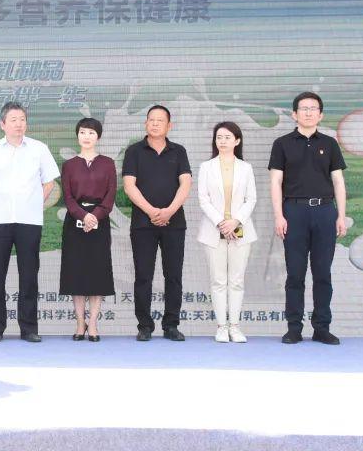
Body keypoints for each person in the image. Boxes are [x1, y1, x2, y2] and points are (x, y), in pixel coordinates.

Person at [269, 91, 347, 345]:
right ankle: (294, 328)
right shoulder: (282, 143)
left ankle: (322, 327)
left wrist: (341, 215)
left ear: (320, 115)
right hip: (294, 212)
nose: (309, 112)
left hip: (325, 211)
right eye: (304, 108)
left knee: (323, 273)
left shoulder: (330, 143)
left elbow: (338, 181)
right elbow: (275, 182)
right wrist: (279, 215)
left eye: (314, 108)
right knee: (295, 273)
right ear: (294, 114)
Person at [0, 102, 60, 343]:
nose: (19, 124)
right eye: (13, 120)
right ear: (2, 124)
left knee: (29, 275)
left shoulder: (39, 148)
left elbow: (49, 181)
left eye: (22, 119)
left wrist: (35, 202)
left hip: (29, 220)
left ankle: (29, 328)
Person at [122, 105, 192, 342]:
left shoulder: (179, 151)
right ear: (145, 124)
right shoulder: (134, 151)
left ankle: (171, 325)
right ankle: (144, 325)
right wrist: (152, 211)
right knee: (143, 275)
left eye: (160, 120)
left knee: (173, 276)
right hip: (143, 223)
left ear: (169, 126)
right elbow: (129, 186)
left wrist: (169, 211)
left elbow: (186, 183)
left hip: (174, 223)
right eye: (151, 119)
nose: (154, 123)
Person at [196, 122, 258, 343]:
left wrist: (235, 221)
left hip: (241, 229)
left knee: (237, 281)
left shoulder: (246, 168)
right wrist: (222, 222)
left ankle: (235, 326)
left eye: (227, 137)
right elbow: (203, 199)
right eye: (219, 137)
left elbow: (251, 199)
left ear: (237, 141)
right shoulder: (206, 167)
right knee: (218, 281)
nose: (222, 141)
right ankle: (221, 327)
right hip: (214, 230)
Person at [59, 118, 116, 342]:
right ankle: (79, 322)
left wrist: (96, 215)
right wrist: (83, 216)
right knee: (76, 273)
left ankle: (93, 323)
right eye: (82, 132)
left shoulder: (108, 163)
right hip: (75, 222)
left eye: (91, 133)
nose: (86, 136)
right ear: (77, 136)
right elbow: (68, 197)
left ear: (98, 136)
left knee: (97, 273)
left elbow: (110, 195)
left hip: (100, 222)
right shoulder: (69, 165)